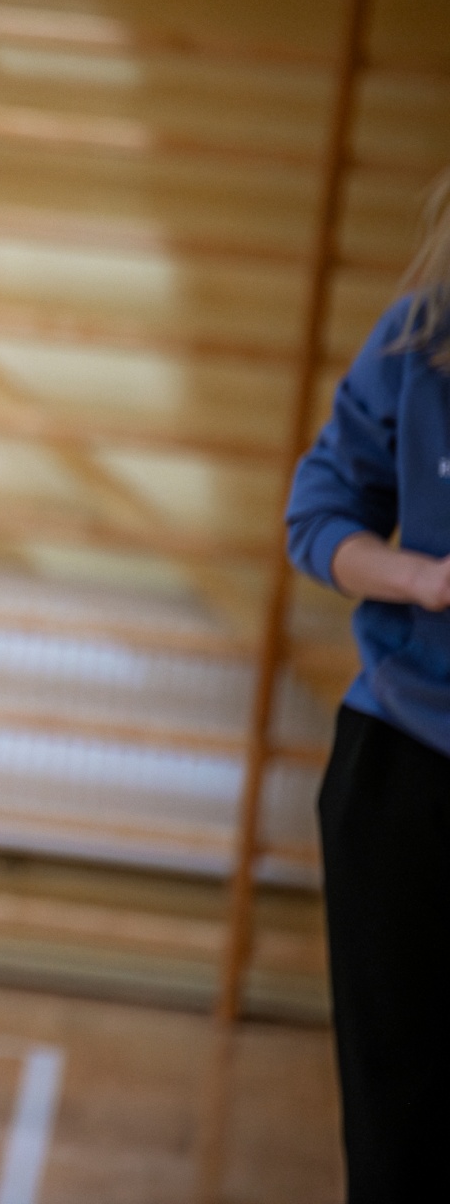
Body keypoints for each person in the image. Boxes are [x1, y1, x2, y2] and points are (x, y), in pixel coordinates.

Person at [286, 169, 450, 1204]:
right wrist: (424, 580)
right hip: (403, 769)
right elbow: (318, 520)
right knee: (398, 1139)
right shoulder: (416, 342)